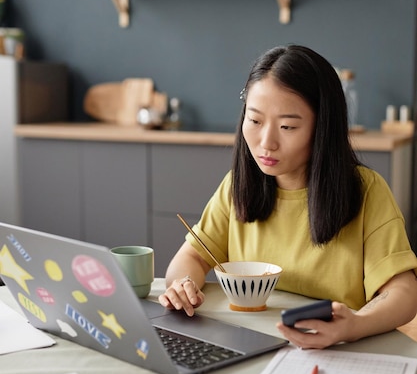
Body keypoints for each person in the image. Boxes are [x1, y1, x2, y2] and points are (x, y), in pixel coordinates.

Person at [159, 44, 417, 349]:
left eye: (287, 126)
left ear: (322, 127)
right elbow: (191, 257)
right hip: (248, 345)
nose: (266, 142)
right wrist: (182, 285)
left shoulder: (366, 190)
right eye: (254, 121)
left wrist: (354, 325)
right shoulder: (238, 185)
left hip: (335, 352)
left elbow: (403, 292)